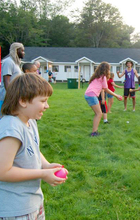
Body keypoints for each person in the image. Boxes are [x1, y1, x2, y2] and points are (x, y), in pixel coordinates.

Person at [0, 73, 67, 219]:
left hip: (32, 201)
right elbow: (3, 172)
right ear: (23, 101)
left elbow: (33, 149)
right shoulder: (11, 128)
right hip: (16, 208)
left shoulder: (30, 121)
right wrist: (42, 174)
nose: (47, 106)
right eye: (43, 101)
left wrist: (46, 165)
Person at [85, 62, 122, 137]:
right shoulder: (103, 77)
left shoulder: (96, 76)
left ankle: (94, 131)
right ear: (106, 70)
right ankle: (94, 132)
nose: (109, 71)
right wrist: (116, 95)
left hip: (88, 94)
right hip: (92, 95)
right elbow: (106, 89)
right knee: (99, 114)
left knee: (98, 113)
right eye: (109, 69)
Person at [0, 42, 25, 117]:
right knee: (4, 116)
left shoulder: (15, 63)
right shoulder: (8, 62)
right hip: (6, 96)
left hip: (15, 94)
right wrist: (10, 94)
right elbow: (6, 80)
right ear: (16, 50)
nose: (24, 53)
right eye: (22, 50)